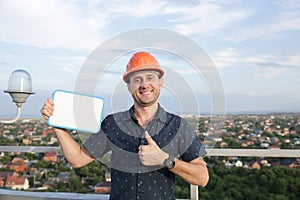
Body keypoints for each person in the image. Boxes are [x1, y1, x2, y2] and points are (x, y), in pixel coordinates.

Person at [41, 51, 209, 200]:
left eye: (150, 77)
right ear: (129, 87)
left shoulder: (179, 126)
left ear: (160, 83)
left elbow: (202, 178)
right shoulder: (113, 124)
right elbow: (77, 159)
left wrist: (165, 160)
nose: (144, 84)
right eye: (137, 80)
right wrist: (56, 123)